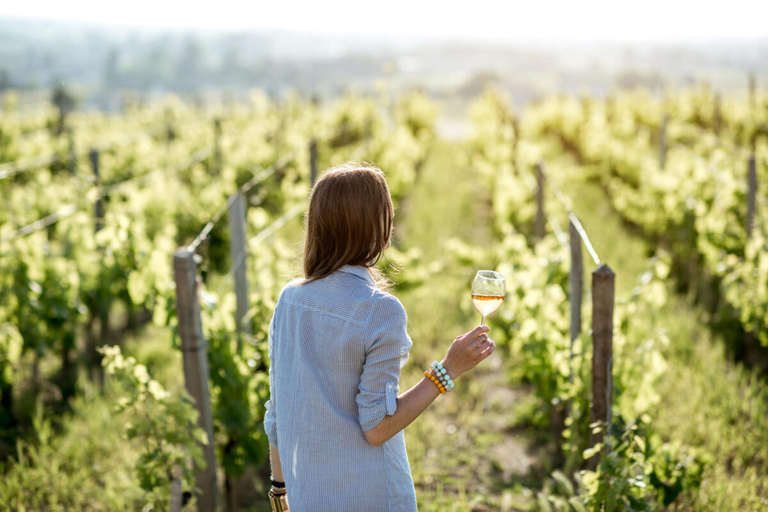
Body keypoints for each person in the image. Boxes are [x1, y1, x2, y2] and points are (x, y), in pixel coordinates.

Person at [264, 163, 495, 511]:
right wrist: (448, 370)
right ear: (377, 229)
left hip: (307, 499)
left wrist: (280, 494)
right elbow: (377, 427)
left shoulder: (288, 301)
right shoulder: (380, 311)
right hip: (372, 498)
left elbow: (277, 414)